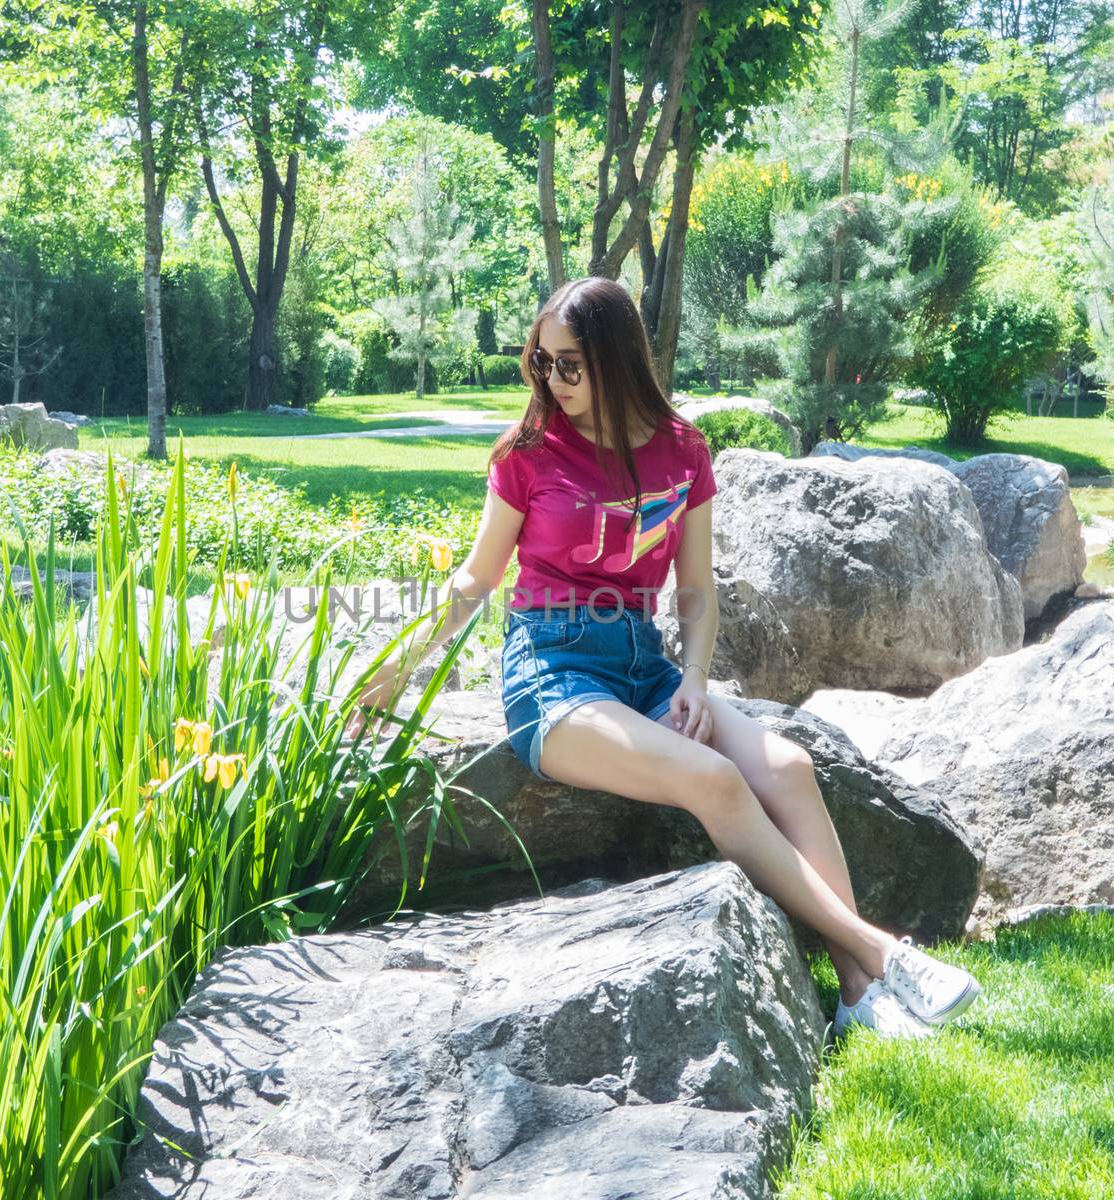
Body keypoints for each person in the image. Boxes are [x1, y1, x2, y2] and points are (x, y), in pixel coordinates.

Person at [346, 276, 978, 1041]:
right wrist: (400, 662)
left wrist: (695, 680)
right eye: (541, 363)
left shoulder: (683, 452)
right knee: (711, 780)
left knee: (787, 768)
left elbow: (696, 588)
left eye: (569, 364)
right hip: (553, 671)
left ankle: (852, 991)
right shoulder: (530, 454)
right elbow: (476, 580)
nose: (552, 380)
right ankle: (882, 952)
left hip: (644, 664)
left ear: (616, 358)